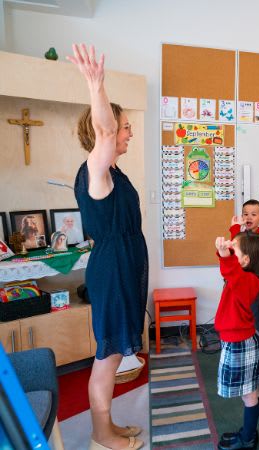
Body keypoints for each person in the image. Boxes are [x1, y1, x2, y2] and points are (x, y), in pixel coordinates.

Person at [69, 44, 146, 450]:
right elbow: (103, 132)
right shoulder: (96, 172)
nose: (129, 132)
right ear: (110, 130)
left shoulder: (114, 172)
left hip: (124, 263)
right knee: (108, 357)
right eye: (126, 126)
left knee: (114, 355)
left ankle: (110, 426)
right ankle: (101, 436)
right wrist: (95, 84)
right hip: (113, 267)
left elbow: (106, 133)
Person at [214, 233, 259, 450]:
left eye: (233, 250)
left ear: (246, 260)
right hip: (240, 340)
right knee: (250, 391)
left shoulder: (248, 281)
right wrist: (228, 249)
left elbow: (230, 269)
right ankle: (249, 432)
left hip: (241, 343)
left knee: (249, 393)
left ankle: (248, 438)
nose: (229, 251)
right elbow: (229, 267)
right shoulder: (244, 277)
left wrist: (223, 253)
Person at [230, 200, 259, 344]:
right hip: (240, 286)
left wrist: (234, 230)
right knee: (241, 321)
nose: (249, 218)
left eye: (253, 214)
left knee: (256, 323)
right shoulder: (242, 235)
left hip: (254, 290)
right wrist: (235, 228)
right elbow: (232, 253)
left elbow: (234, 249)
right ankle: (246, 351)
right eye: (246, 214)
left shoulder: (258, 239)